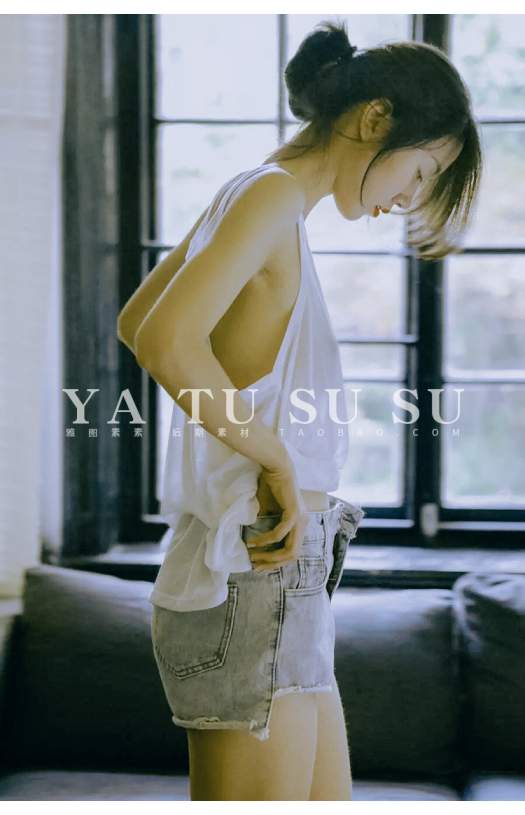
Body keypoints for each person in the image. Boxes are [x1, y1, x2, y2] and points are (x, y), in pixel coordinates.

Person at [117, 19, 482, 801]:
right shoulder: (272, 194)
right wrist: (275, 455)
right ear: (375, 119)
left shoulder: (259, 193)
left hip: (281, 576)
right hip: (250, 569)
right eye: (420, 171)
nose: (408, 198)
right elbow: (162, 338)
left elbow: (135, 318)